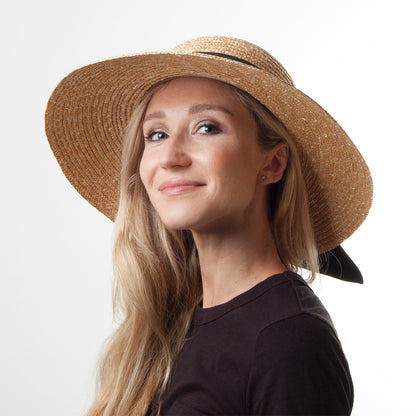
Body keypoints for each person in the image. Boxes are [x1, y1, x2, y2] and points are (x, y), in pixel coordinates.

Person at [45, 36, 372, 416]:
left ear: (273, 164)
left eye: (206, 128)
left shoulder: (288, 336)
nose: (170, 156)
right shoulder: (164, 327)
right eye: (156, 134)